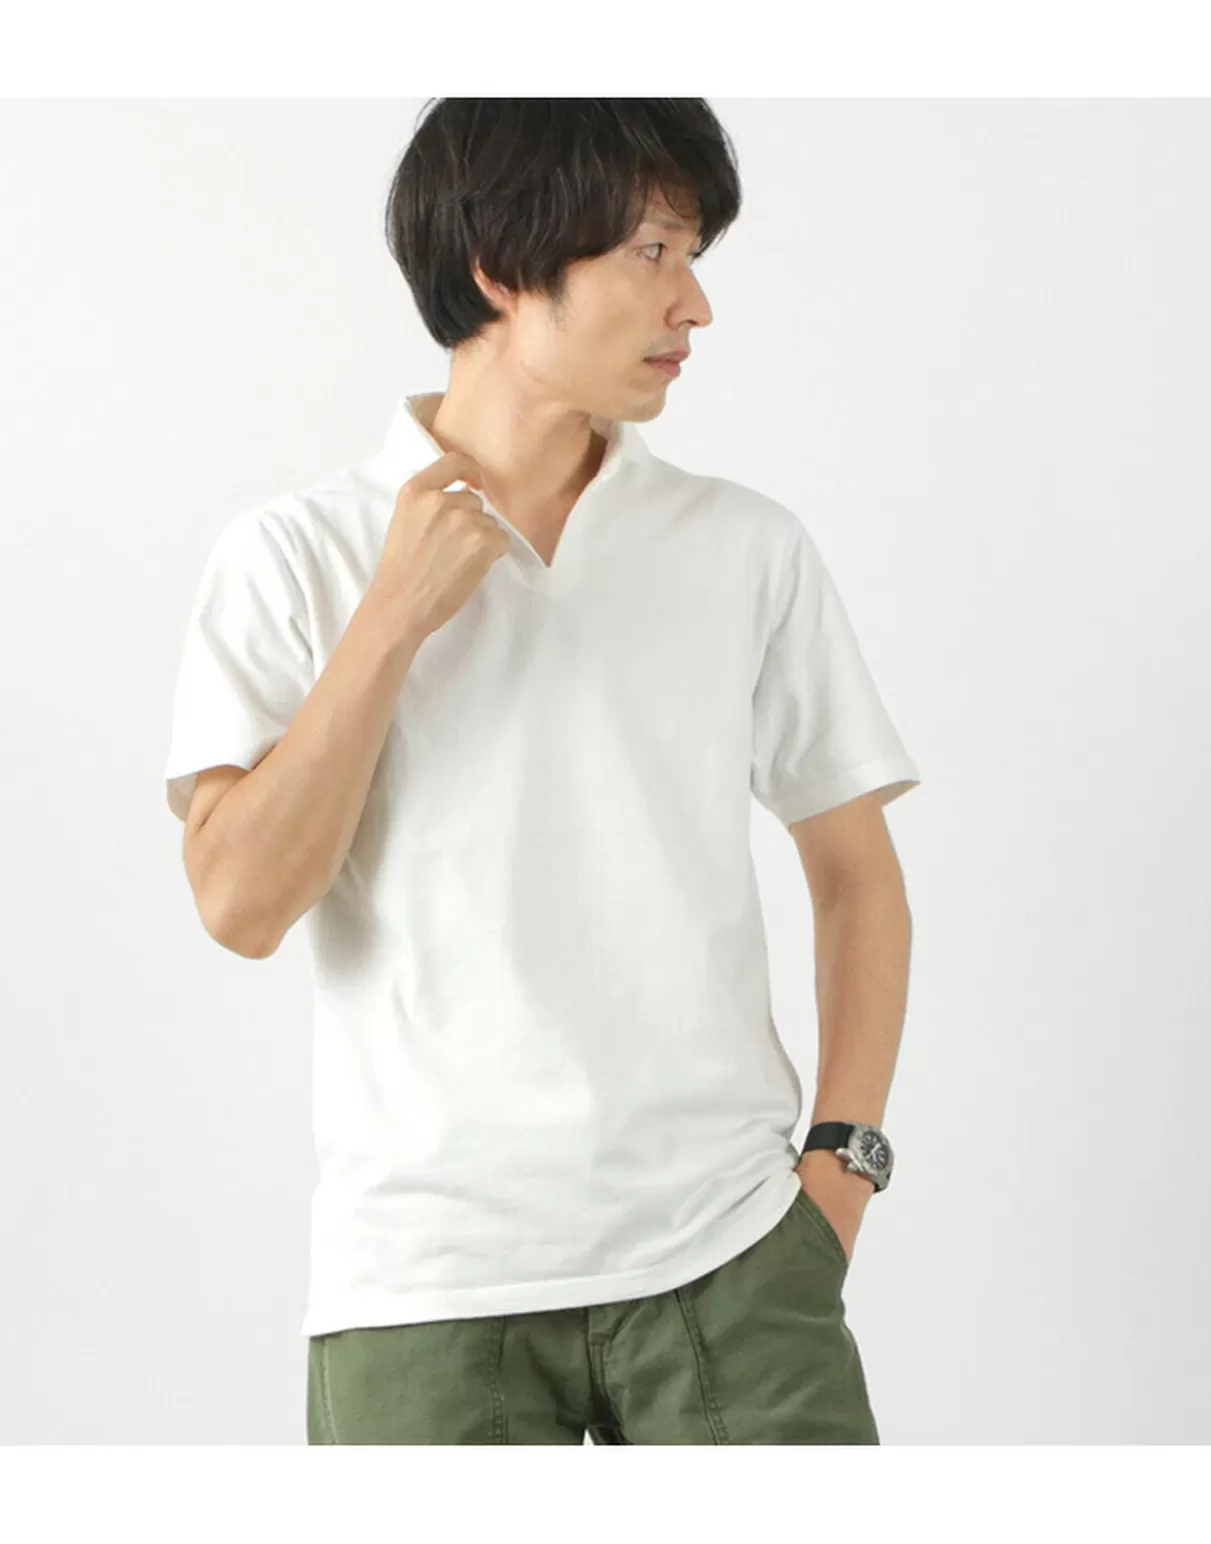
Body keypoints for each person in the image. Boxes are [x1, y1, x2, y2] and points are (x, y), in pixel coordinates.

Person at [164, 98, 921, 1444]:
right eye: (652, 252)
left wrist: (838, 1175)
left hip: (735, 1258)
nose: (694, 305)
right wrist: (391, 621)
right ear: (502, 266)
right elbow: (240, 904)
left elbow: (856, 875)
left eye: (695, 255)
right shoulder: (294, 557)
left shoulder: (745, 547)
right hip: (424, 1288)